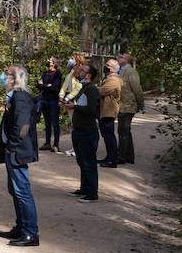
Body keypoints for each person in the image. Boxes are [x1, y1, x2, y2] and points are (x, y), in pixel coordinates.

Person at [0, 64, 40, 247]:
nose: (2, 76)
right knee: (15, 190)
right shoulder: (14, 96)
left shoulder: (21, 97)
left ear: (14, 78)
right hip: (12, 150)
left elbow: (23, 126)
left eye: (6, 73)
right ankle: (21, 227)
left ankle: (30, 233)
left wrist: (11, 146)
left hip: (16, 151)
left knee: (22, 191)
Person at [69, 64, 102, 202]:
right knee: (82, 161)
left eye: (82, 70)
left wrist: (74, 106)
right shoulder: (84, 88)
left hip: (87, 131)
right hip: (79, 130)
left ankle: (92, 193)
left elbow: (91, 110)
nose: (79, 71)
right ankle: (84, 188)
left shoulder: (92, 90)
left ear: (88, 76)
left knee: (89, 162)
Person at [116, 54, 146, 165]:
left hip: (128, 106)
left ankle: (121, 157)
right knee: (125, 131)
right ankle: (129, 156)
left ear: (127, 60)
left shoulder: (131, 72)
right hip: (122, 105)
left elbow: (137, 89)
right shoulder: (121, 71)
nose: (119, 58)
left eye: (122, 57)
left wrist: (141, 103)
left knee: (123, 131)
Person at [97, 57, 123, 168]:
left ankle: (113, 160)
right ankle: (109, 157)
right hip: (105, 110)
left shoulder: (114, 80)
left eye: (107, 65)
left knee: (109, 136)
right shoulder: (109, 78)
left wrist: (93, 88)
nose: (105, 67)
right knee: (106, 135)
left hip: (109, 111)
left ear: (113, 69)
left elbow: (101, 91)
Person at [36, 57, 64, 152]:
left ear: (54, 63)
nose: (47, 61)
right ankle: (47, 143)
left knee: (55, 123)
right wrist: (46, 86)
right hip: (45, 100)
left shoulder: (57, 74)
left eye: (50, 60)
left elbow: (54, 87)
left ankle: (56, 144)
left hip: (53, 100)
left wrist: (44, 86)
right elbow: (38, 85)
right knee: (47, 123)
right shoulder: (45, 73)